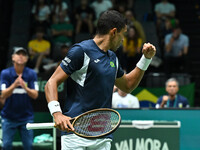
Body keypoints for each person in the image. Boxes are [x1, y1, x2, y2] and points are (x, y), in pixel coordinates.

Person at [45, 10, 156, 149]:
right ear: (114, 32)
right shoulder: (81, 51)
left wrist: (146, 59)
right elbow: (51, 82)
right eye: (123, 34)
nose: (123, 40)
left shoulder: (113, 58)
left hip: (103, 134)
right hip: (75, 133)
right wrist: (57, 113)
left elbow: (127, 85)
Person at [0, 47, 38, 150]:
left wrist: (25, 87)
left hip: (26, 118)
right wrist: (15, 84)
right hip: (8, 117)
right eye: (18, 54)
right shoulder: (5, 73)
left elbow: (35, 95)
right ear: (13, 57)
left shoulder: (31, 74)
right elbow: (3, 94)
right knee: (6, 146)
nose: (21, 56)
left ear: (26, 59)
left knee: (29, 146)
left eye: (23, 55)